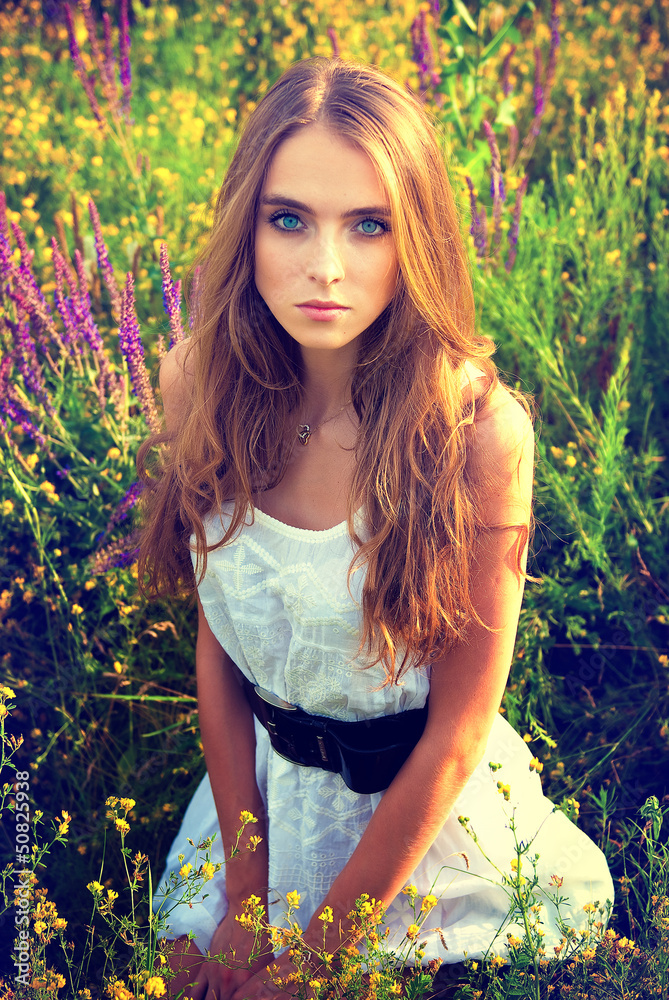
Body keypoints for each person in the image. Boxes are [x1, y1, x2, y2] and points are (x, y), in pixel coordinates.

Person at [138, 57, 613, 1000]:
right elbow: (223, 644)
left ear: (418, 239)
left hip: (425, 828)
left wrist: (318, 957)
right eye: (289, 220)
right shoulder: (198, 381)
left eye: (369, 225)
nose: (325, 267)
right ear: (248, 227)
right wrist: (243, 895)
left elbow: (459, 727)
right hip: (259, 805)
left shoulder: (476, 435)